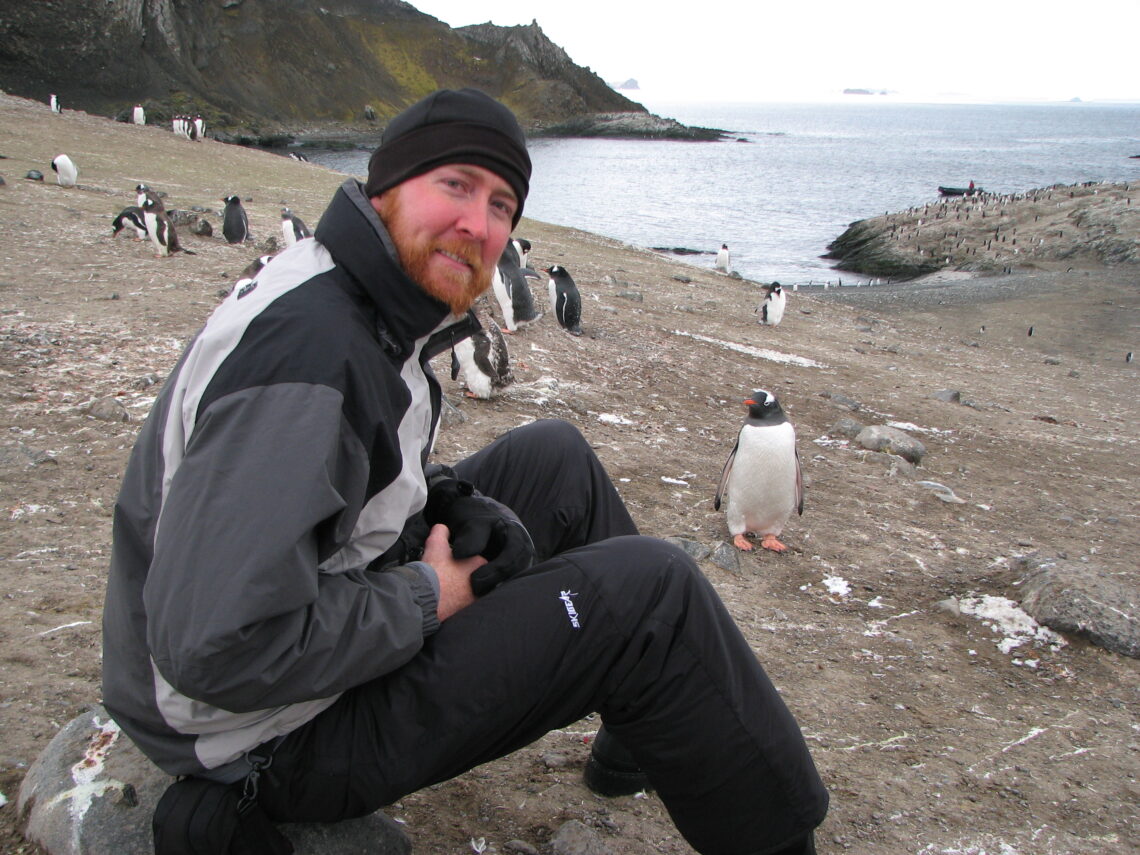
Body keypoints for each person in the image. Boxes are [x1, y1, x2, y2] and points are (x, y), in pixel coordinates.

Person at [101, 88, 828, 855]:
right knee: (654, 595)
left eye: (501, 204)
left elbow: (330, 491)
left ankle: (636, 737)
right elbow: (215, 646)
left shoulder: (360, 300)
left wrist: (444, 501)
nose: (478, 224)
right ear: (387, 186)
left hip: (290, 656)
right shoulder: (308, 358)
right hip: (260, 733)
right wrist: (428, 593)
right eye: (455, 184)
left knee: (555, 459)